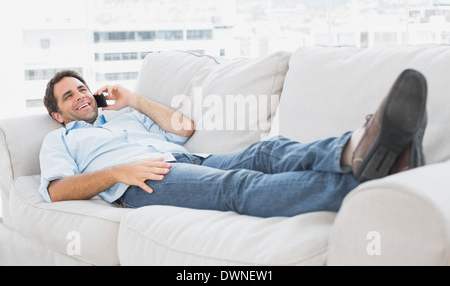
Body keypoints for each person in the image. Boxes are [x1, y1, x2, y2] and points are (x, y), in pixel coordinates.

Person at [39, 69, 428, 218]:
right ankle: (377, 184)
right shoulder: (62, 139)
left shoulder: (126, 116)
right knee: (236, 186)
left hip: (187, 157)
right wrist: (117, 173)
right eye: (69, 97)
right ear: (58, 114)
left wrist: (133, 99)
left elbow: (184, 126)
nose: (81, 96)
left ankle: (359, 148)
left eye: (82, 89)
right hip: (139, 181)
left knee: (265, 151)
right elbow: (56, 191)